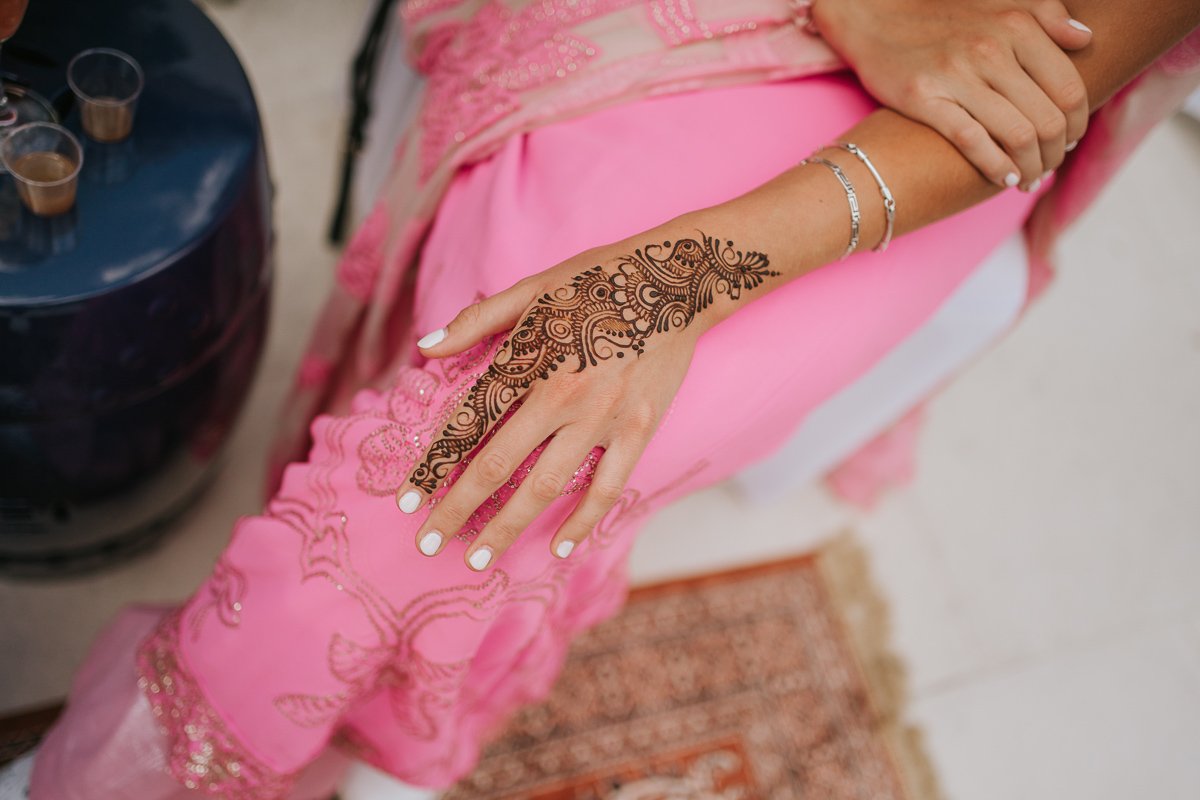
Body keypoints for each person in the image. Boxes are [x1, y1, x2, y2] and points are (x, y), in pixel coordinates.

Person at [6, 0, 1198, 798]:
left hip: (923, 145)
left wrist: (667, 284)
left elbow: (1053, 85)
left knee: (529, 443)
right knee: (467, 437)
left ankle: (385, 729)